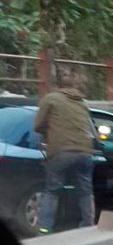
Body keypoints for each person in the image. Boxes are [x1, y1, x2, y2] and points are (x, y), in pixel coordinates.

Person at [34, 74, 95, 234]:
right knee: (86, 190)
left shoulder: (51, 98)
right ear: (74, 86)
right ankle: (88, 226)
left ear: (58, 86)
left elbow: (38, 124)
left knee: (52, 190)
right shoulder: (83, 102)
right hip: (85, 151)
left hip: (61, 150)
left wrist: (47, 132)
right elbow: (89, 127)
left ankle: (44, 228)